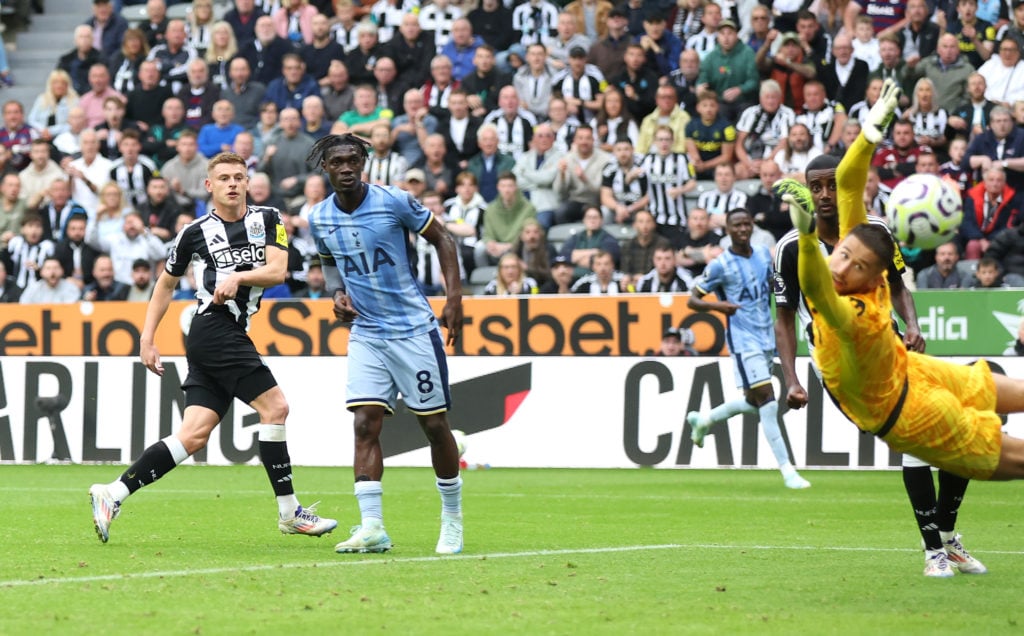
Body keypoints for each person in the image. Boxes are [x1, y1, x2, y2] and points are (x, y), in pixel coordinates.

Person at [781, 79, 991, 577]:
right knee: (923, 437)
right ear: (807, 192)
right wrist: (790, 377)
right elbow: (784, 315)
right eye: (816, 187)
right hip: (849, 367)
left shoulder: (872, 232)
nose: (826, 193)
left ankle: (945, 535)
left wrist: (912, 324)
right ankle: (936, 548)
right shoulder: (794, 247)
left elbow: (898, 284)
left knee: (966, 416)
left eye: (833, 183)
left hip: (891, 345)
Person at [88, 152, 337, 544]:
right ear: (210, 186)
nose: (233, 183)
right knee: (276, 408)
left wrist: (237, 276)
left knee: (193, 435)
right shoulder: (193, 232)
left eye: (239, 176)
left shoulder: (269, 219)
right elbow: (165, 285)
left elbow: (277, 270)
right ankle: (290, 513)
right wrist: (147, 338)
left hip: (224, 333)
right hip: (213, 329)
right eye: (224, 178)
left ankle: (112, 493)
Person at [305, 133, 464, 555]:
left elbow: (443, 238)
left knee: (432, 425)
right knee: (364, 424)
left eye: (352, 160)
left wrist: (454, 299)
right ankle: (373, 527)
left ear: (364, 162)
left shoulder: (393, 201)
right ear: (325, 168)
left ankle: (452, 519)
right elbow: (328, 261)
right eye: (336, 162)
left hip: (413, 328)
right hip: (367, 332)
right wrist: (336, 295)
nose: (345, 168)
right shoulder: (319, 217)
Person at [685, 207, 811, 490]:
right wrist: (720, 306)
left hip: (767, 338)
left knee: (755, 403)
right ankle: (788, 471)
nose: (742, 229)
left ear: (752, 225)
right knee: (768, 402)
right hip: (743, 343)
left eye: (746, 224)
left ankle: (704, 420)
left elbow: (770, 284)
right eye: (736, 225)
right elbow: (692, 300)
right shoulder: (720, 265)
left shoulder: (763, 255)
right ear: (728, 230)